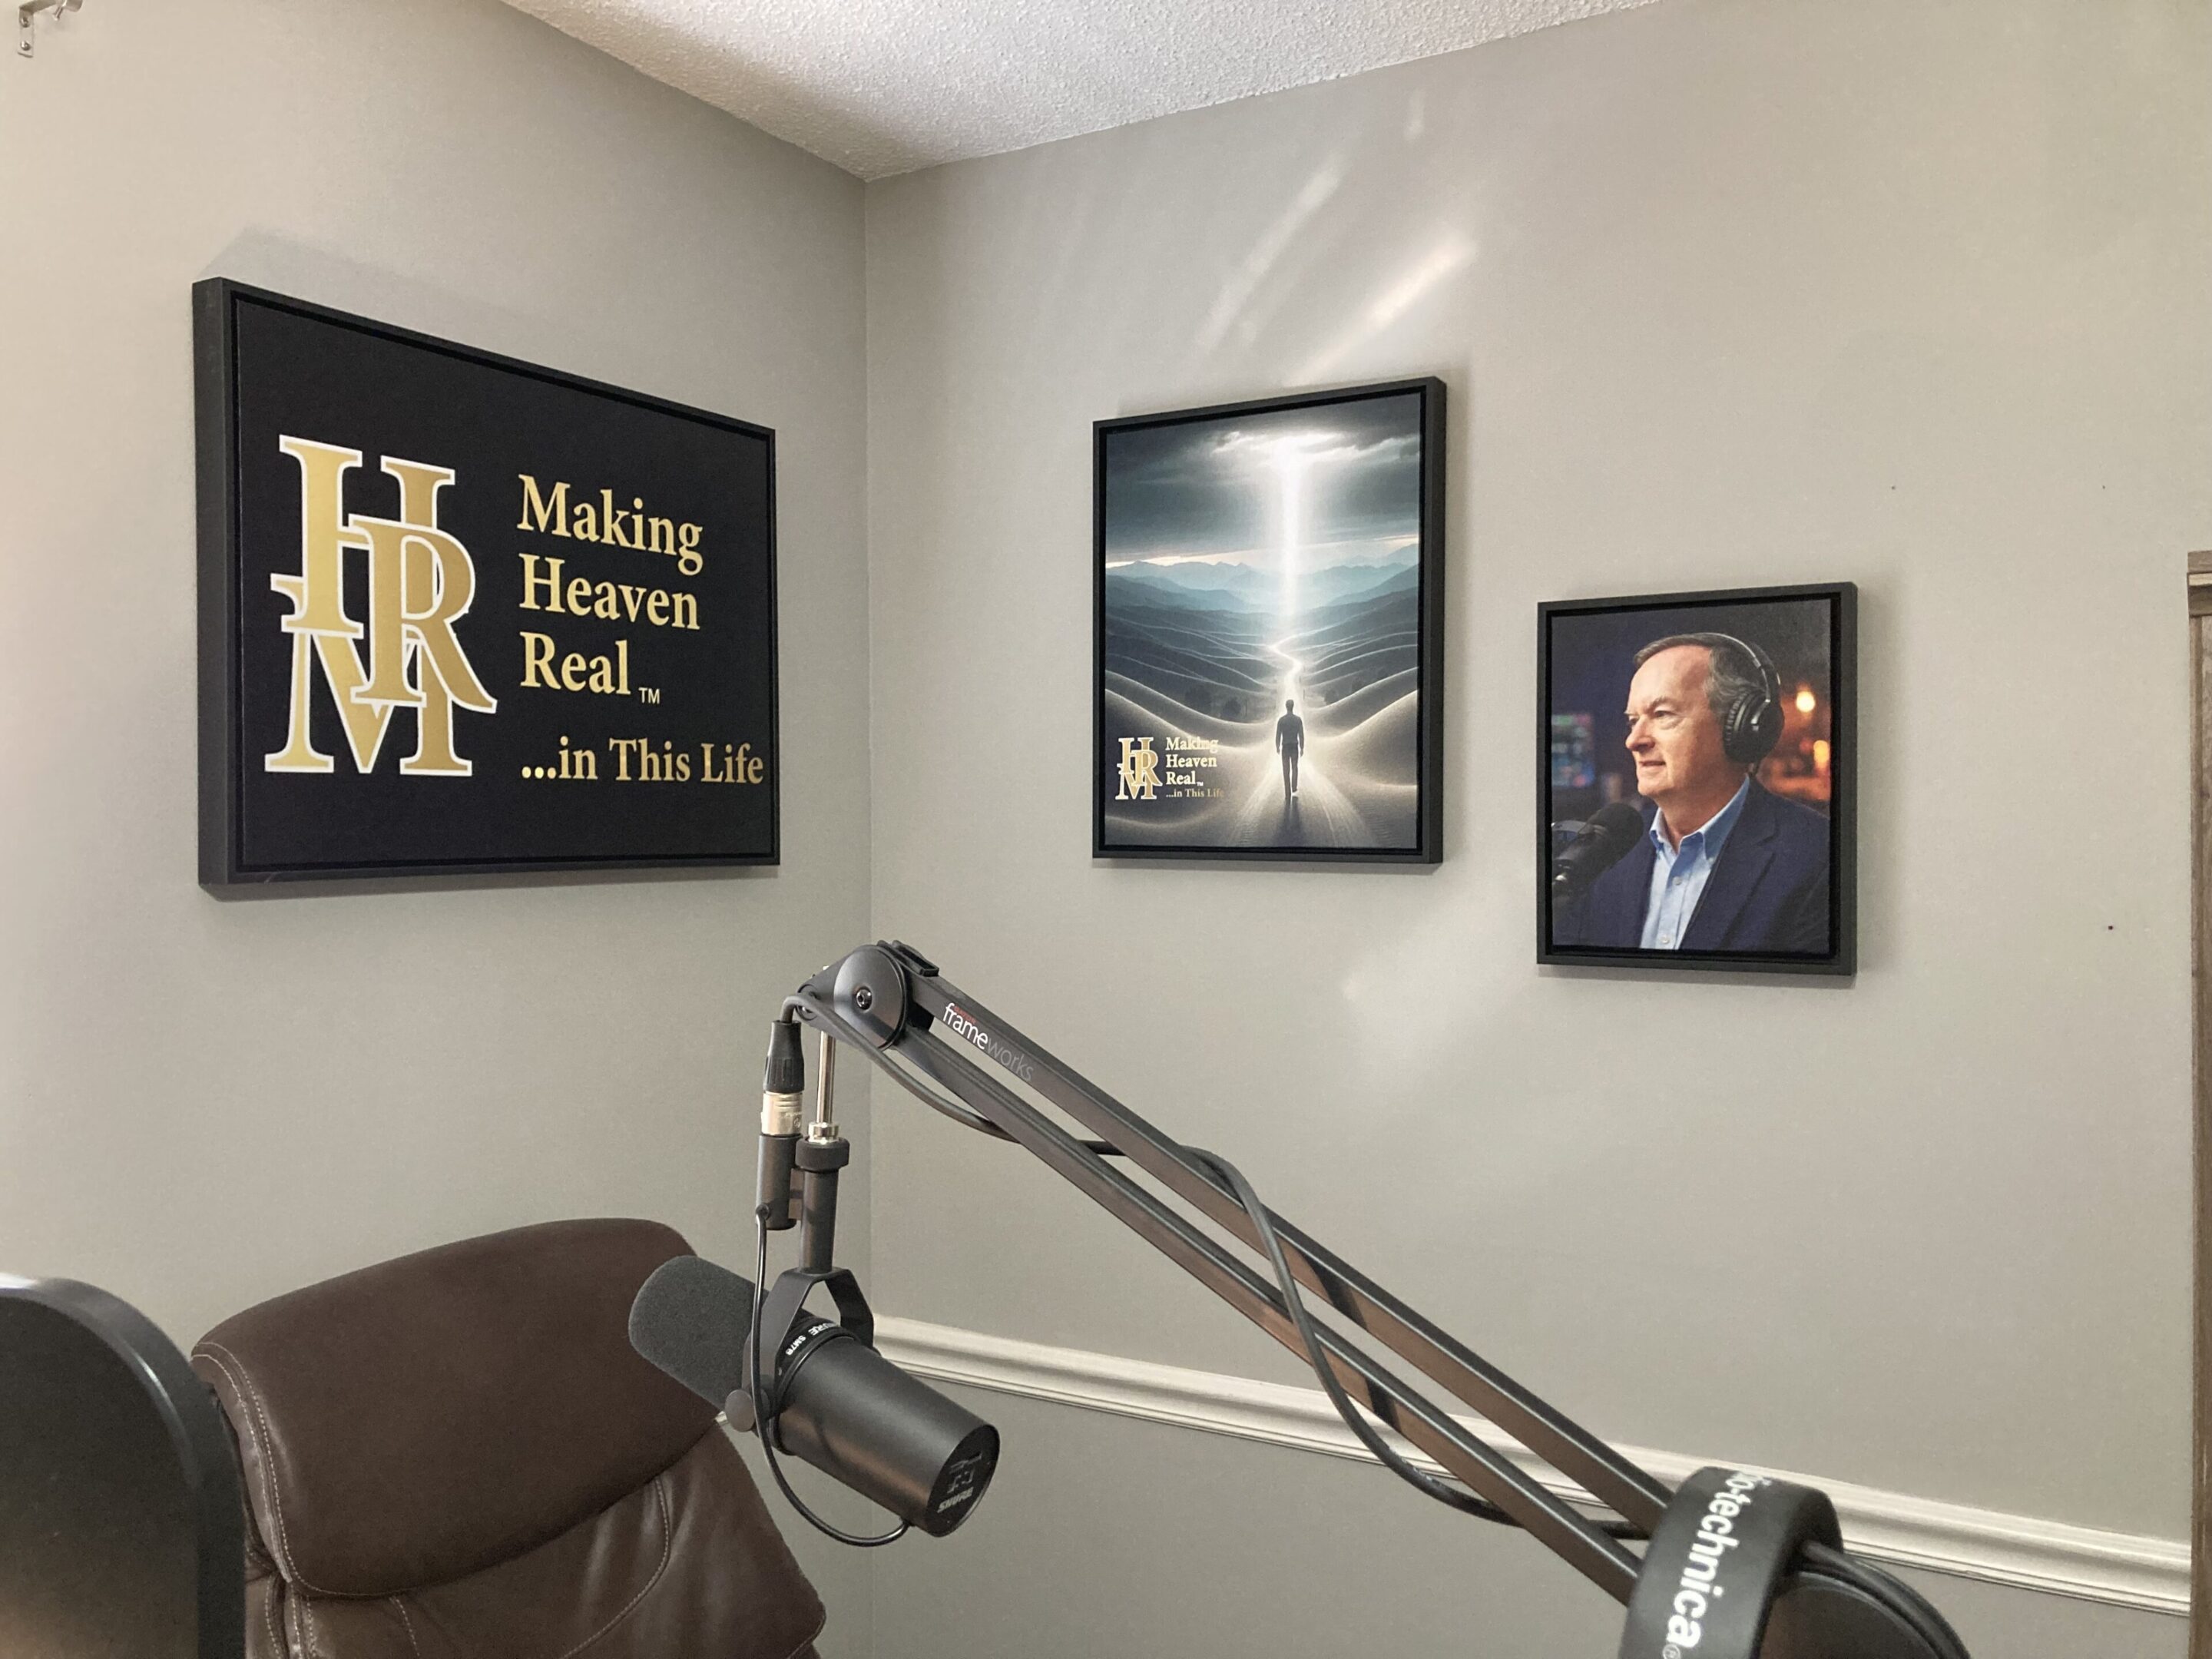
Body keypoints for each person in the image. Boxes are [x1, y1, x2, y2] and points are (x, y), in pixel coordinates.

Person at [1551, 634, 1830, 955]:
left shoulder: (1817, 857)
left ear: (1738, 728)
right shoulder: (1604, 855)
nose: (1635, 740)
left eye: (1662, 715)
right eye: (1632, 721)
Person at [1274, 698, 1305, 803]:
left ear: (1286, 707)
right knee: (1295, 767)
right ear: (1293, 706)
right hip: (1294, 746)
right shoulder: (1298, 720)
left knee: (1286, 769)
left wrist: (1277, 746)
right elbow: (1301, 734)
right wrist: (1302, 747)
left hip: (1285, 747)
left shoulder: (1281, 720)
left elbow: (1278, 734)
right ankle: (1294, 786)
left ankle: (1287, 792)